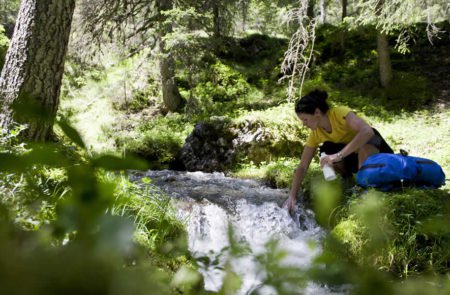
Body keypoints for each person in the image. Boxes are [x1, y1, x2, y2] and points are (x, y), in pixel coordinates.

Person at [284, 89, 393, 213]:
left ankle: (366, 188)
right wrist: (292, 196)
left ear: (317, 112)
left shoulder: (340, 113)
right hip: (356, 159)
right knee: (326, 149)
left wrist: (338, 156)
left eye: (305, 119)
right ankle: (350, 182)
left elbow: (367, 131)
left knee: (363, 142)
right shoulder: (316, 134)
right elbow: (303, 167)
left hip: (379, 154)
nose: (304, 124)